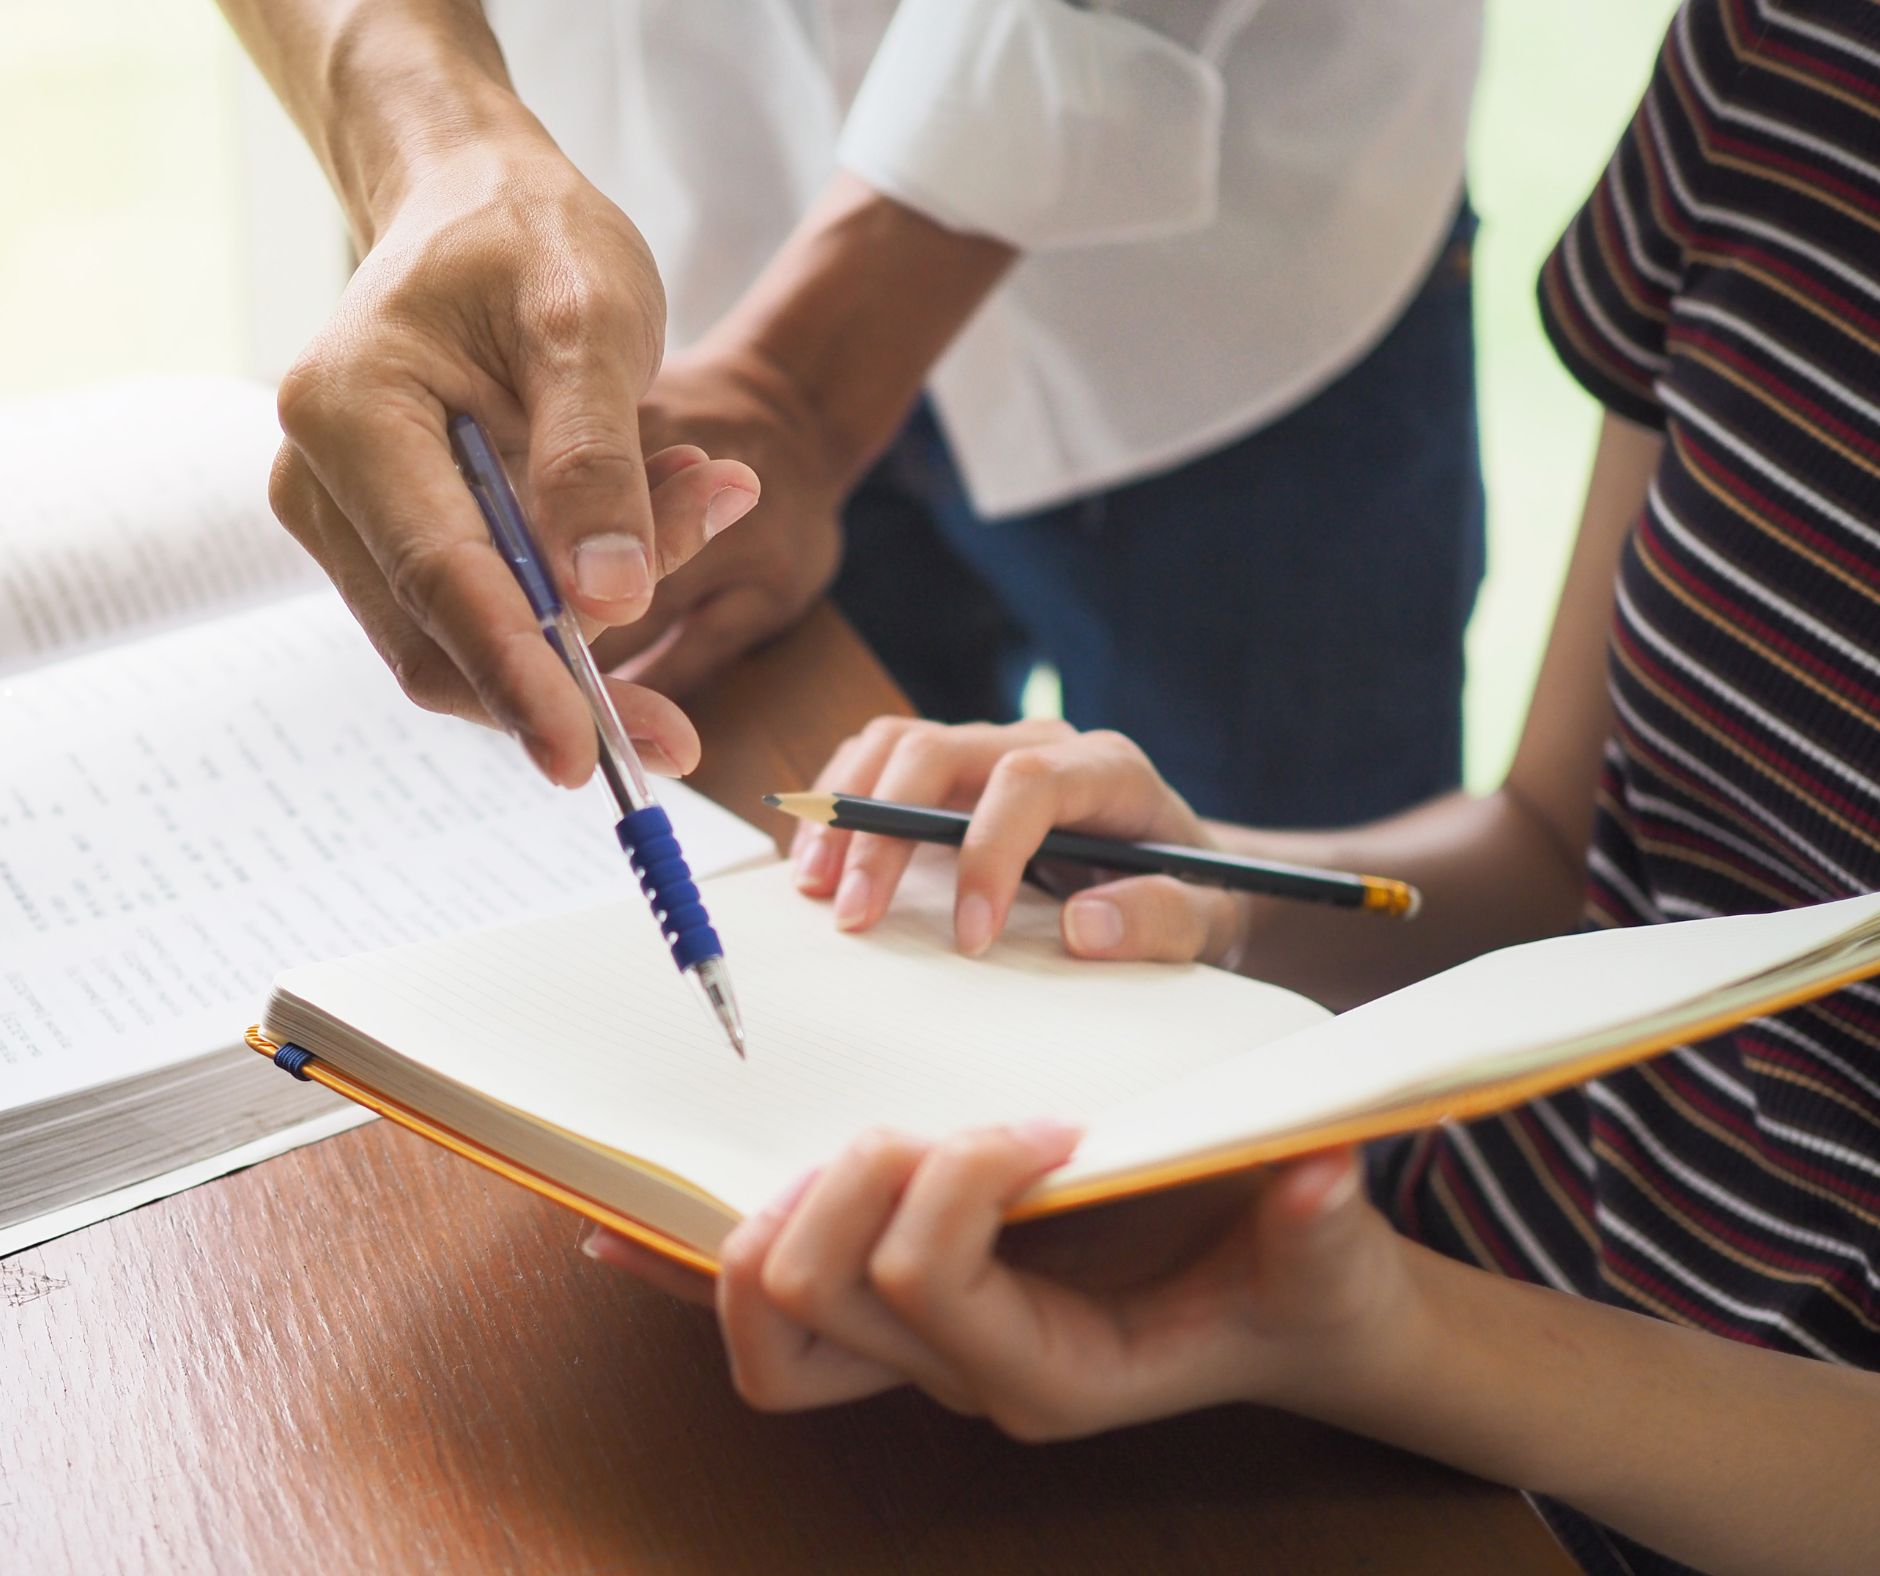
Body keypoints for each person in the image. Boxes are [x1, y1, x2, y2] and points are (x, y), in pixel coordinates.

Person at [584, 6, 1880, 1572]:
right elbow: (1557, 856)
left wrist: (1382, 1336)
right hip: (1392, 1332)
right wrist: (1207, 887)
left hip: (1504, 1425)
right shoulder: (1787, 57)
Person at [219, 0, 1484, 826]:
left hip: (1221, 291)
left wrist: (801, 390)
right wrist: (437, 146)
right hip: (665, 257)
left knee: (1294, 1012)